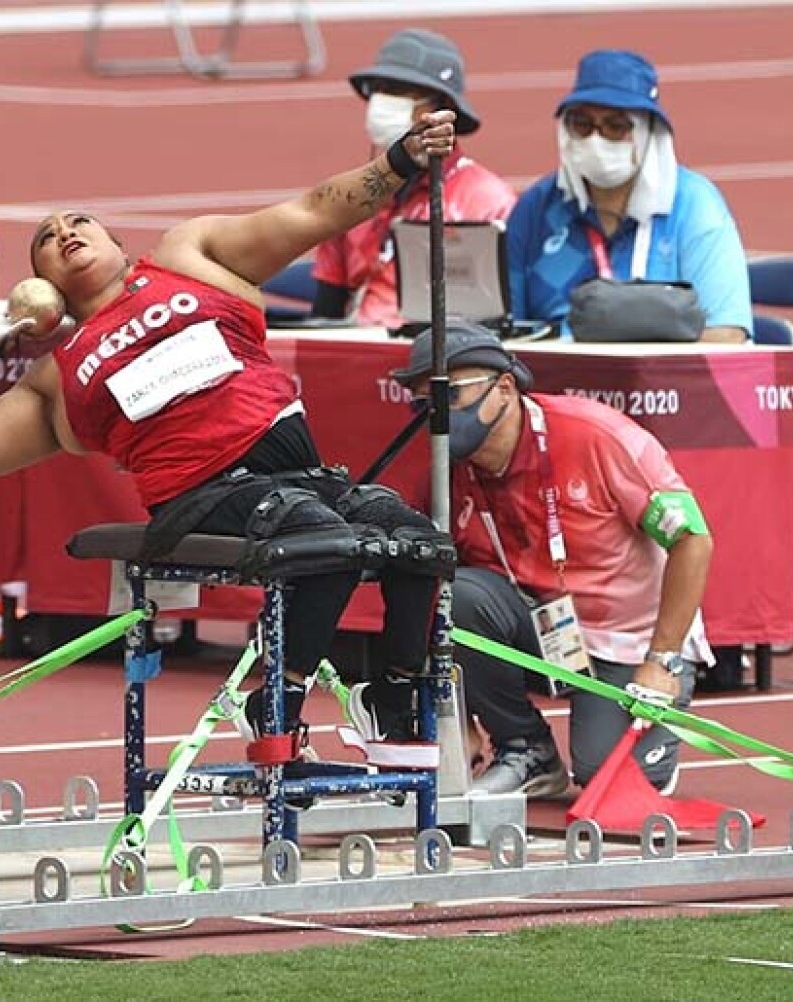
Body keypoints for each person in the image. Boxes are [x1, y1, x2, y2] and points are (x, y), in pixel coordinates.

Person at [0, 112, 462, 765]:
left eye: (78, 222)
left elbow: (314, 211)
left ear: (121, 247)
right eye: (46, 238)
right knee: (326, 542)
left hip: (300, 476)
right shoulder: (57, 377)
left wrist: (400, 162)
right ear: (45, 288)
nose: (65, 232)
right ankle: (276, 706)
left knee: (414, 538)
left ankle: (396, 698)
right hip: (203, 497)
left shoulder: (190, 256)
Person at [392, 321, 712, 796]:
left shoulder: (596, 436)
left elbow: (693, 539)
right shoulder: (445, 477)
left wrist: (661, 658)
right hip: (540, 632)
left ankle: (651, 703)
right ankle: (526, 748)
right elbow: (429, 593)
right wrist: (452, 709)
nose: (435, 415)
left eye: (450, 397)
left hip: (629, 640)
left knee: (609, 784)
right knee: (453, 594)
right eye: (424, 405)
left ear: (504, 388)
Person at [505, 49, 751, 343]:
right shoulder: (536, 208)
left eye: (616, 126)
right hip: (552, 384)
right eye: (581, 124)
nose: (596, 139)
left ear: (648, 130)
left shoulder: (695, 205)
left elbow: (725, 335)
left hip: (664, 385)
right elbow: (505, 329)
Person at [306, 28, 514, 330]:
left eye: (401, 89)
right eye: (379, 86)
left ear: (442, 108)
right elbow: (326, 309)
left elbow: (502, 322)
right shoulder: (350, 196)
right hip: (353, 354)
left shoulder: (488, 201)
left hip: (442, 359)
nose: (382, 100)